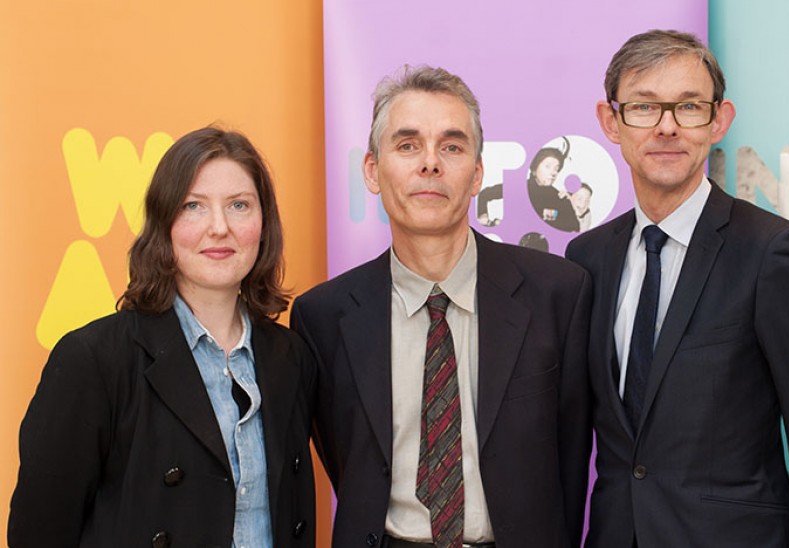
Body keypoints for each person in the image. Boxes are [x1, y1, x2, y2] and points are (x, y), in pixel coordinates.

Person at [291, 66, 592, 548]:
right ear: (372, 170)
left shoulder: (558, 294)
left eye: (451, 146)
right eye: (407, 145)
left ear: (476, 175)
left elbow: (572, 457)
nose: (430, 163)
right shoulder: (323, 318)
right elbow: (346, 463)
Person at [566, 30, 789, 547]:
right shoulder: (586, 259)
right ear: (611, 122)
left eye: (689, 106)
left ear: (719, 120)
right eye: (644, 107)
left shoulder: (772, 252)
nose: (667, 127)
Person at [9, 127, 316, 547]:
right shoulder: (94, 359)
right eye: (194, 206)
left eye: (239, 205)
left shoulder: (289, 357)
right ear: (164, 223)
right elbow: (39, 533)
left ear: (264, 224)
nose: (220, 227)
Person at [526, 138, 579, 232]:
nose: (553, 173)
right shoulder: (518, 189)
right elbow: (490, 193)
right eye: (548, 166)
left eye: (556, 169)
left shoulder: (560, 198)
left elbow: (574, 228)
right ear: (534, 168)